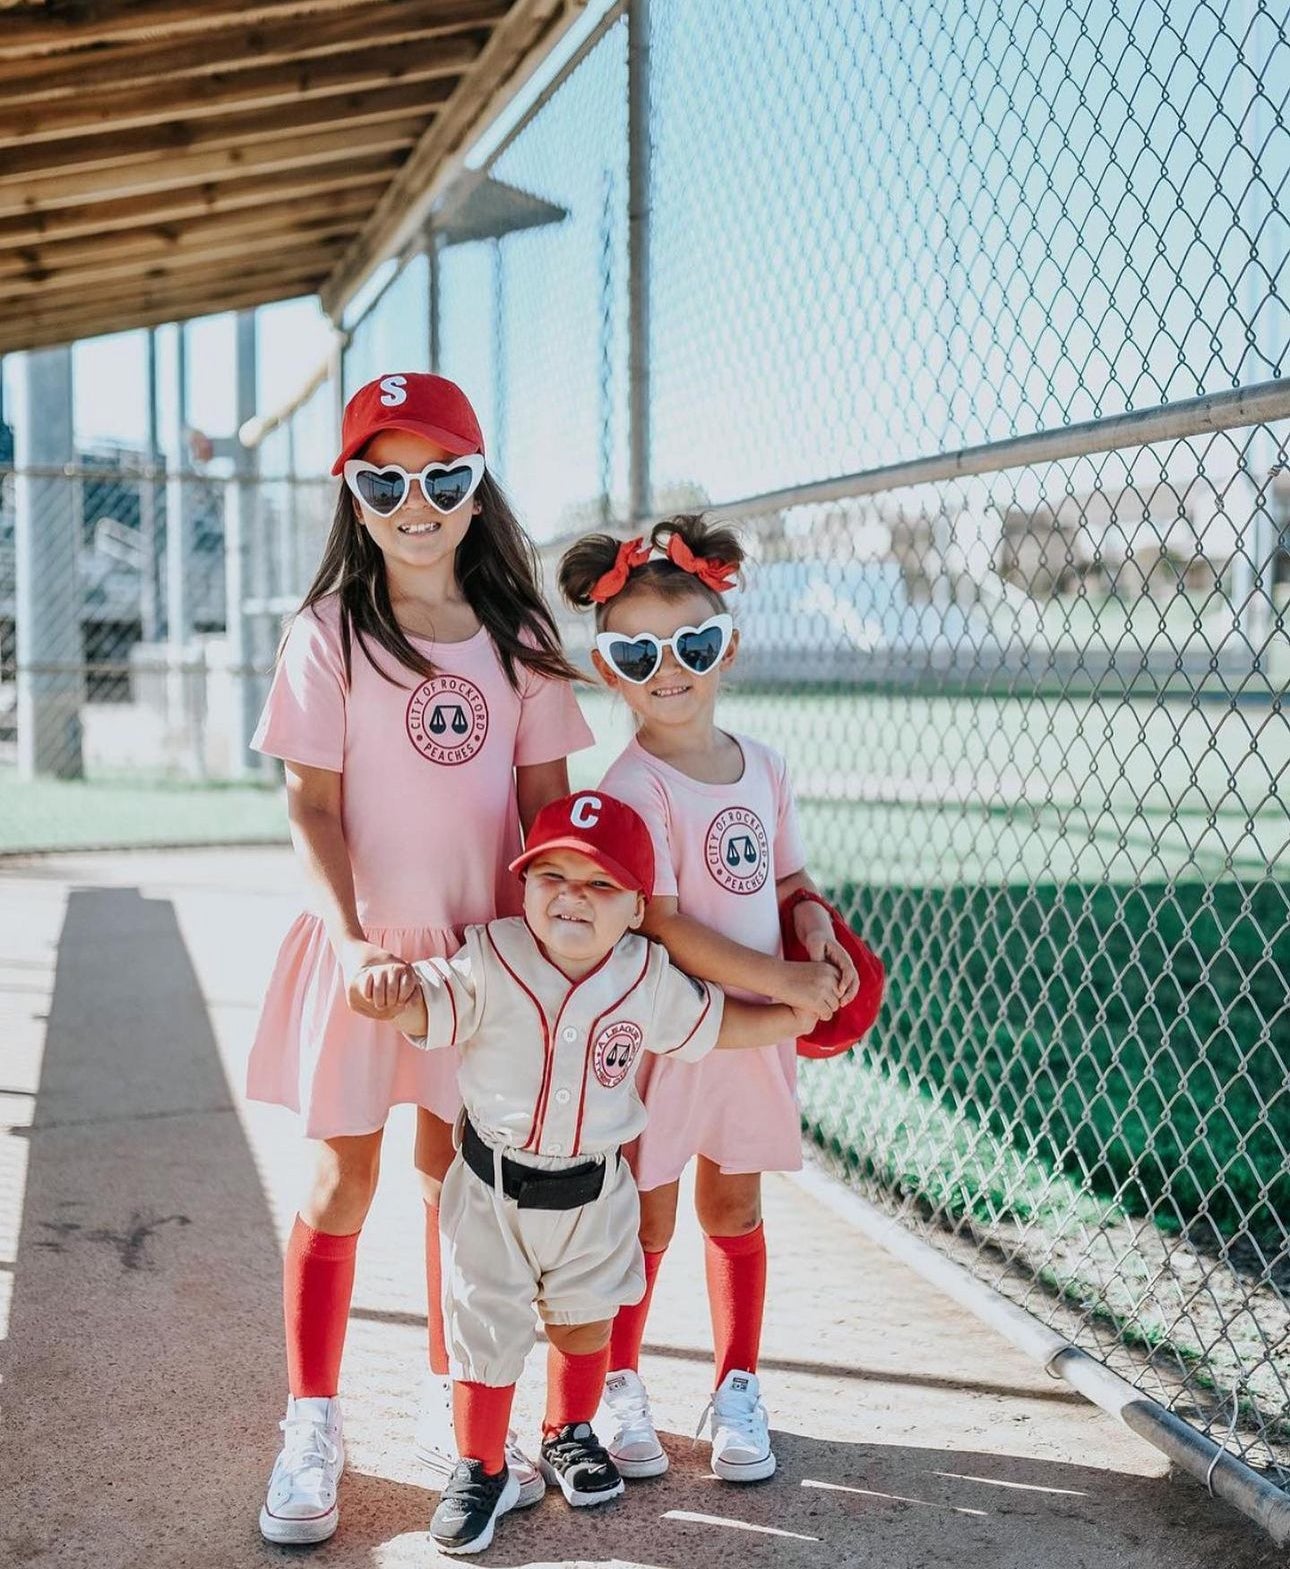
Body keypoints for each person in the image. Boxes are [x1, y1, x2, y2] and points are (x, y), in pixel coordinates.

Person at [251, 372, 592, 1545]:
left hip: (483, 967)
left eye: (442, 477)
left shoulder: (523, 640)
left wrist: (557, 959)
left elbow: (549, 815)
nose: (415, 501)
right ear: (352, 495)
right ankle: (311, 1422)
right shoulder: (329, 634)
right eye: (382, 478)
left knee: (464, 1195)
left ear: (475, 486)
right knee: (342, 1182)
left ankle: (471, 1418)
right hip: (369, 957)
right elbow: (313, 809)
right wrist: (349, 943)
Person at [376, 790, 818, 1555]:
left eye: (601, 884)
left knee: (585, 1321)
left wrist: (788, 1016)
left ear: (638, 907)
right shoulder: (490, 954)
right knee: (487, 1333)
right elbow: (431, 1008)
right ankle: (478, 1466)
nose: (572, 896)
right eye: (551, 875)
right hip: (494, 1189)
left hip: (593, 1190)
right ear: (523, 887)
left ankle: (568, 1431)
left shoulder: (644, 974)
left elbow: (711, 1024)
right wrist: (391, 994)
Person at [558, 516, 861, 1485]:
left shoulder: (764, 766)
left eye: (691, 645)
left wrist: (811, 929)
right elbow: (664, 925)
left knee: (732, 1205)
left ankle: (736, 1382)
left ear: (725, 646)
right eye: (639, 653)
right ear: (610, 671)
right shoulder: (632, 783)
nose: (670, 670)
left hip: (754, 1039)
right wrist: (784, 981)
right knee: (644, 1218)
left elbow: (788, 885)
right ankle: (620, 1384)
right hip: (667, 1031)